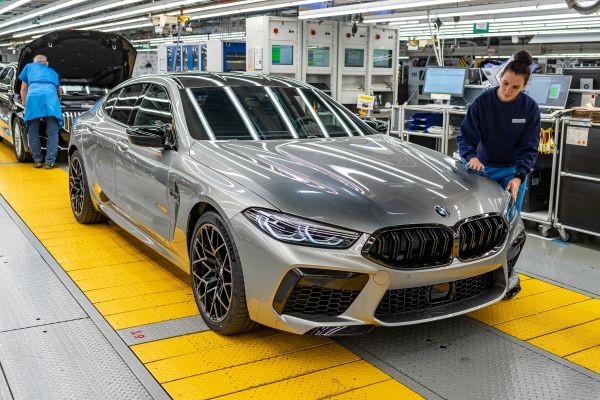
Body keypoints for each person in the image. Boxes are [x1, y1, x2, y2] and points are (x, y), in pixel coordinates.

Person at [458, 50, 540, 212]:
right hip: (482, 168)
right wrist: (472, 157)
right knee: (478, 214)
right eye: (505, 83)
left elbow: (529, 147)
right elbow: (465, 136)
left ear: (524, 86)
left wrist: (519, 177)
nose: (508, 90)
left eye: (515, 87)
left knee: (509, 215)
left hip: (512, 171)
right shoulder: (482, 102)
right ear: (500, 77)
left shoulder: (530, 108)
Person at [18, 54, 63, 169]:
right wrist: (58, 101)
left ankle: (37, 160)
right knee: (52, 132)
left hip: (33, 99)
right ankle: (50, 162)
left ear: (34, 62)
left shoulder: (29, 67)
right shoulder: (53, 72)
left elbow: (23, 89)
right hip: (51, 99)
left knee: (33, 130)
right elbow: (59, 91)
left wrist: (24, 103)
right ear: (46, 63)